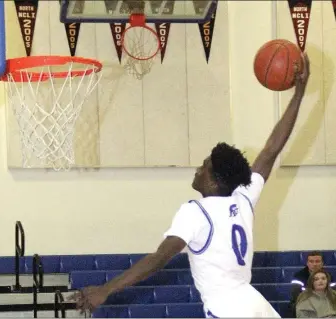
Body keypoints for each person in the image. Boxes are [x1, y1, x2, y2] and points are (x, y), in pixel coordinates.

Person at [70, 54, 311, 318]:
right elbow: (271, 150)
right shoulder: (243, 198)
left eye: (204, 166)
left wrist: (107, 289)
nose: (198, 169)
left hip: (227, 309)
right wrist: (299, 94)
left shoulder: (196, 212)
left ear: (215, 179)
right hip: (255, 304)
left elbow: (159, 258)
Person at [289, 251, 336, 317]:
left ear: (322, 263)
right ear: (307, 263)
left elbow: (332, 294)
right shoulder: (299, 277)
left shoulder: (329, 276)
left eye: (317, 261)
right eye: (311, 261)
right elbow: (296, 298)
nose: (314, 264)